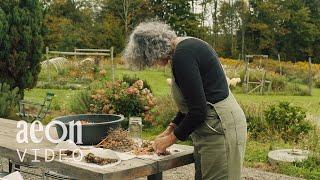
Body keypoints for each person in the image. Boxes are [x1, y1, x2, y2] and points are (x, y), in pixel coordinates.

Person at [124, 21, 247, 180]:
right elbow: (192, 101)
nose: (153, 64)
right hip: (211, 128)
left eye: (149, 60)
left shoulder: (183, 55)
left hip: (221, 129)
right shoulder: (182, 49)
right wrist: (170, 128)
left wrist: (169, 140)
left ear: (152, 51)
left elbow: (198, 111)